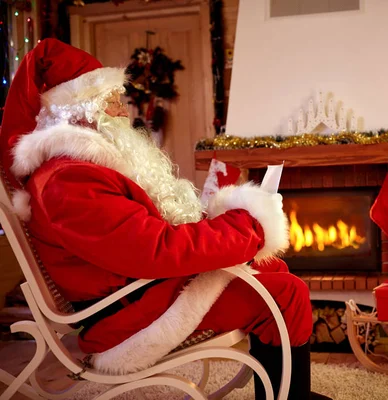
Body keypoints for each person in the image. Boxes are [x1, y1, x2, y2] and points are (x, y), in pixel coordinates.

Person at [0, 38, 330, 400]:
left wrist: (235, 220)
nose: (124, 113)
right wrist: (248, 226)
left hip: (142, 292)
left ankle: (286, 391)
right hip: (125, 318)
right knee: (282, 293)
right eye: (112, 101)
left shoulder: (78, 170)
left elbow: (146, 240)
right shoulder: (68, 179)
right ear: (80, 110)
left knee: (274, 276)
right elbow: (156, 249)